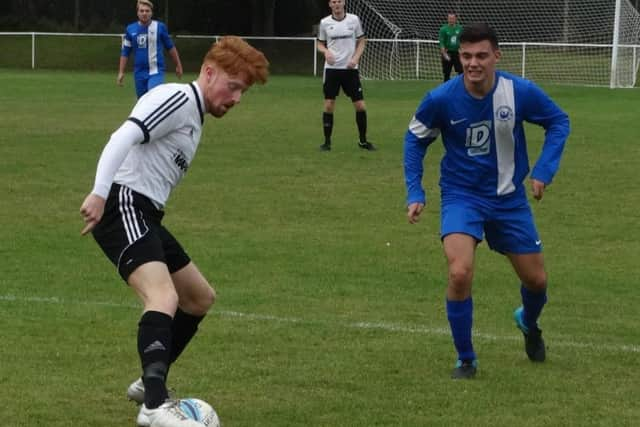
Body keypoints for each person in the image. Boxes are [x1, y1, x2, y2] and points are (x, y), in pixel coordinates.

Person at [80, 36, 268, 426]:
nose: (236, 99)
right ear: (209, 71)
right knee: (162, 295)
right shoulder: (178, 99)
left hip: (146, 213)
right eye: (233, 86)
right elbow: (123, 136)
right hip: (123, 204)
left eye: (243, 92)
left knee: (198, 298)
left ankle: (150, 379)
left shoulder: (195, 117)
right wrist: (100, 194)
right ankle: (153, 406)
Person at [403, 23, 570, 379]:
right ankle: (466, 358)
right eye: (466, 56)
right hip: (462, 197)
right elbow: (415, 139)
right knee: (459, 271)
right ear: (457, 56)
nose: (473, 63)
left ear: (497, 55)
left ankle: (527, 320)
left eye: (481, 55)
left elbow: (558, 121)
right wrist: (415, 190)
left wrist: (544, 168)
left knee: (537, 282)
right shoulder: (441, 99)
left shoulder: (518, 92)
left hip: (509, 199)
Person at [317, 0, 375, 151]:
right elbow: (319, 43)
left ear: (344, 3)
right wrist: (326, 51)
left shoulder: (354, 20)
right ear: (330, 4)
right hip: (332, 70)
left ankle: (363, 141)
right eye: (334, 2)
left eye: (339, 1)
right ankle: (327, 143)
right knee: (329, 105)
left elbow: (362, 41)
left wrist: (355, 58)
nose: (337, 4)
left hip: (350, 70)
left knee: (360, 106)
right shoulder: (324, 23)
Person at [118, 0, 184, 98]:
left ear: (151, 13)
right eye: (142, 11)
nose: (144, 13)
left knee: (153, 96)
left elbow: (170, 47)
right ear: (137, 13)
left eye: (147, 11)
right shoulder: (130, 29)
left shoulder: (160, 27)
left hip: (156, 71)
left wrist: (178, 65)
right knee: (143, 102)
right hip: (139, 73)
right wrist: (121, 72)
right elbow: (125, 52)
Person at [438, 13, 463, 82]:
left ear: (455, 19)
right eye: (450, 18)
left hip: (457, 53)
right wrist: (443, 53)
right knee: (446, 73)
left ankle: (460, 85)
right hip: (447, 52)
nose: (451, 20)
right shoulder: (443, 29)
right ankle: (446, 87)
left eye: (452, 18)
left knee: (461, 71)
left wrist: (462, 50)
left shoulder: (460, 28)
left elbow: (462, 40)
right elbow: (441, 42)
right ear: (447, 19)